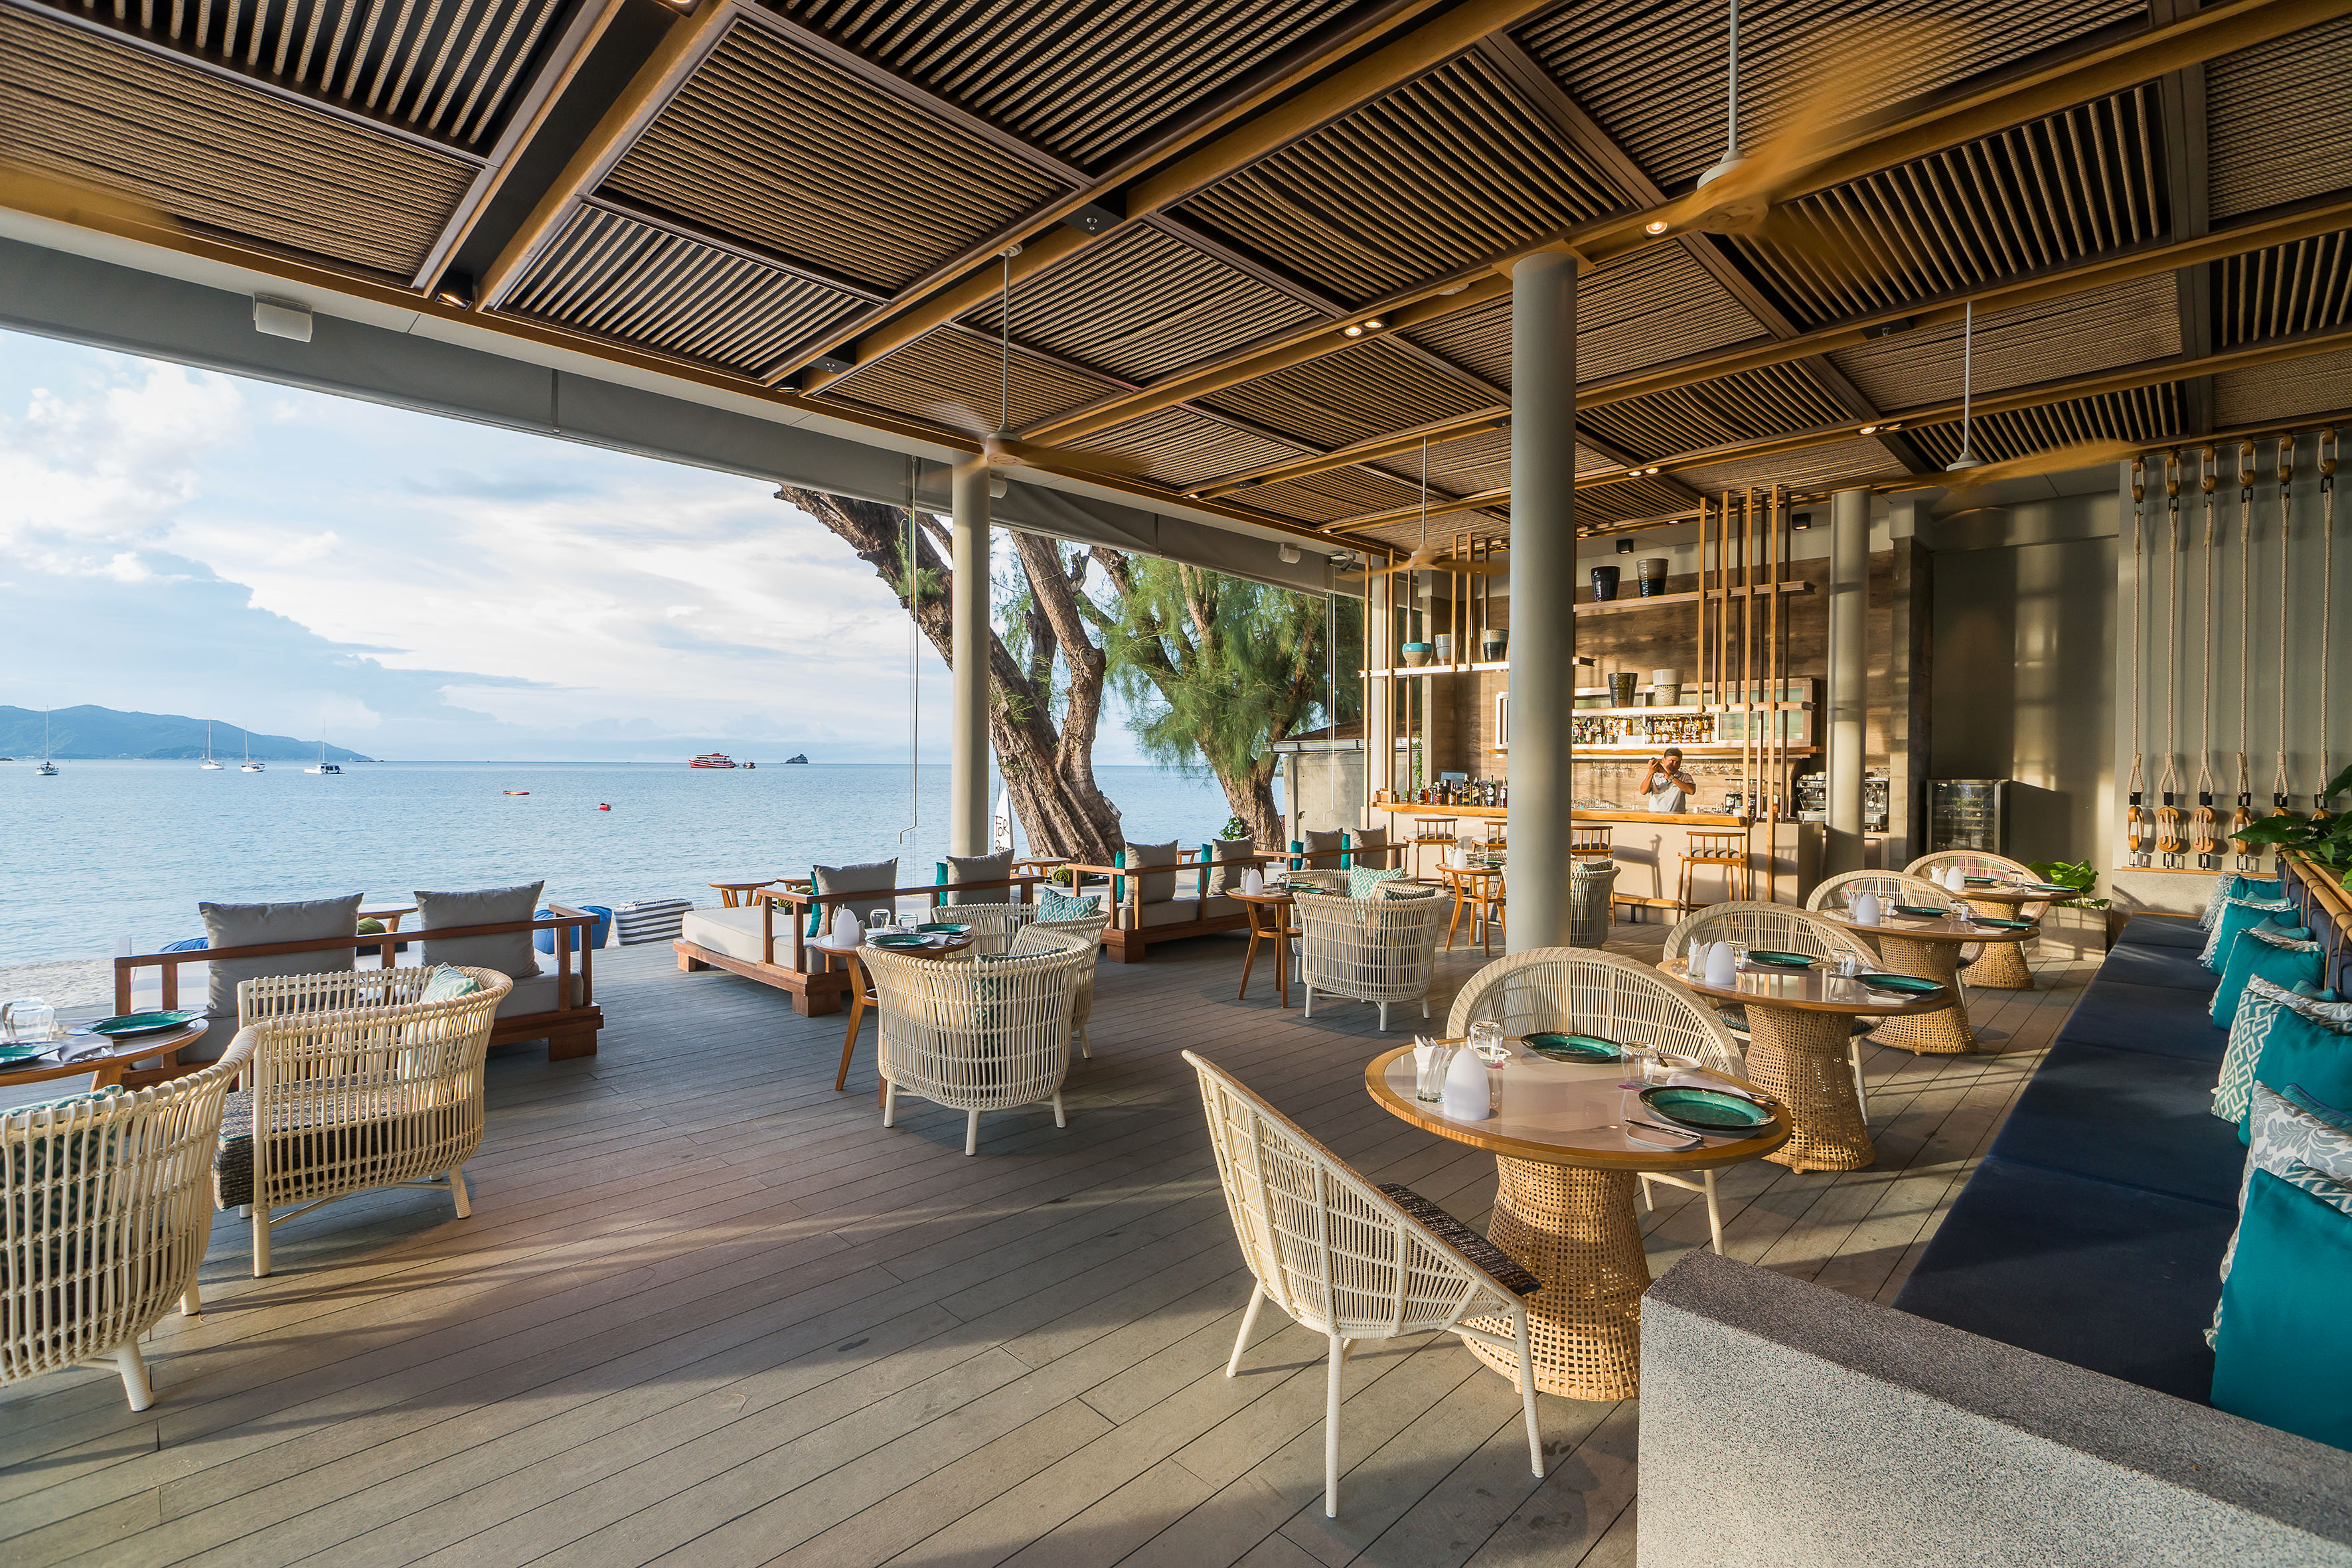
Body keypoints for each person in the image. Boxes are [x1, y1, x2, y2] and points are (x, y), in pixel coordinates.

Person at [1642, 747, 1695, 813]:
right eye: (1672, 761)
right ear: (1663, 760)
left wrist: (1670, 777)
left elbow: (1691, 791)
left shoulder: (1685, 776)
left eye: (1678, 762)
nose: (1675, 765)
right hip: (1655, 816)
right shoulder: (1654, 776)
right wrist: (1651, 772)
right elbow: (1643, 791)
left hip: (1677, 817)